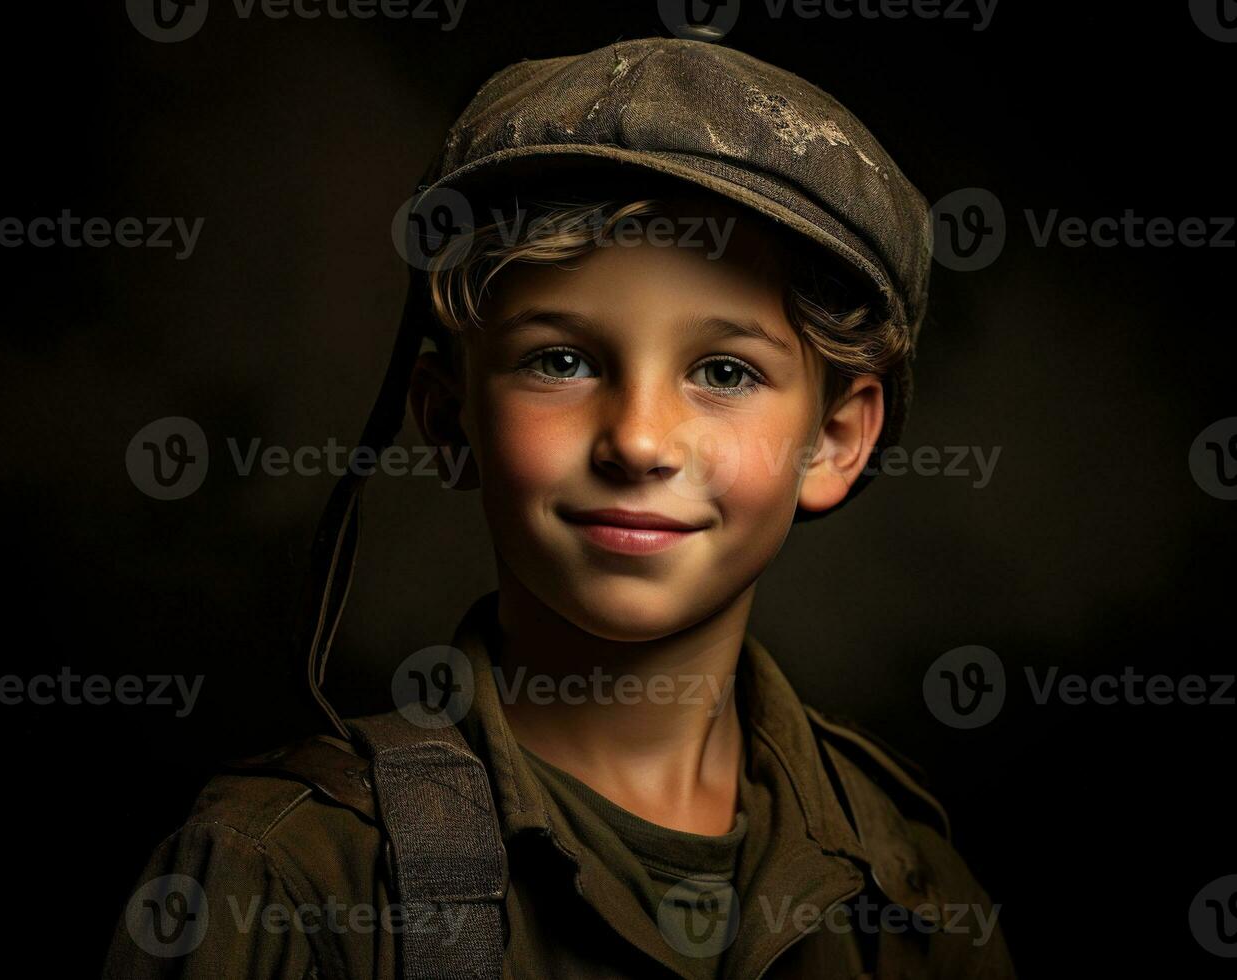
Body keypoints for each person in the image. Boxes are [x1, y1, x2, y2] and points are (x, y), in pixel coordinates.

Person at [103, 37, 1016, 979]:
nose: (639, 440)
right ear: (450, 419)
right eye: (562, 360)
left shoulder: (911, 889)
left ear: (833, 442)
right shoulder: (284, 878)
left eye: (725, 371)